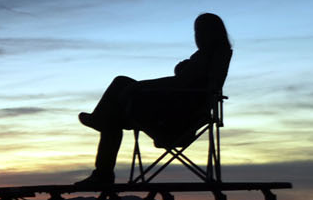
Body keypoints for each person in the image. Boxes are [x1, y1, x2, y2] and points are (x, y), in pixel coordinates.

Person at [74, 13, 232, 189]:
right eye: (196, 32)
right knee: (112, 118)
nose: (197, 36)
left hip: (174, 117)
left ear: (211, 33)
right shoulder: (212, 55)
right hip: (175, 110)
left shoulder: (211, 55)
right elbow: (184, 81)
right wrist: (182, 69)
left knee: (120, 87)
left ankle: (102, 170)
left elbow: (180, 83)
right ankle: (102, 166)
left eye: (200, 31)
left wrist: (139, 86)